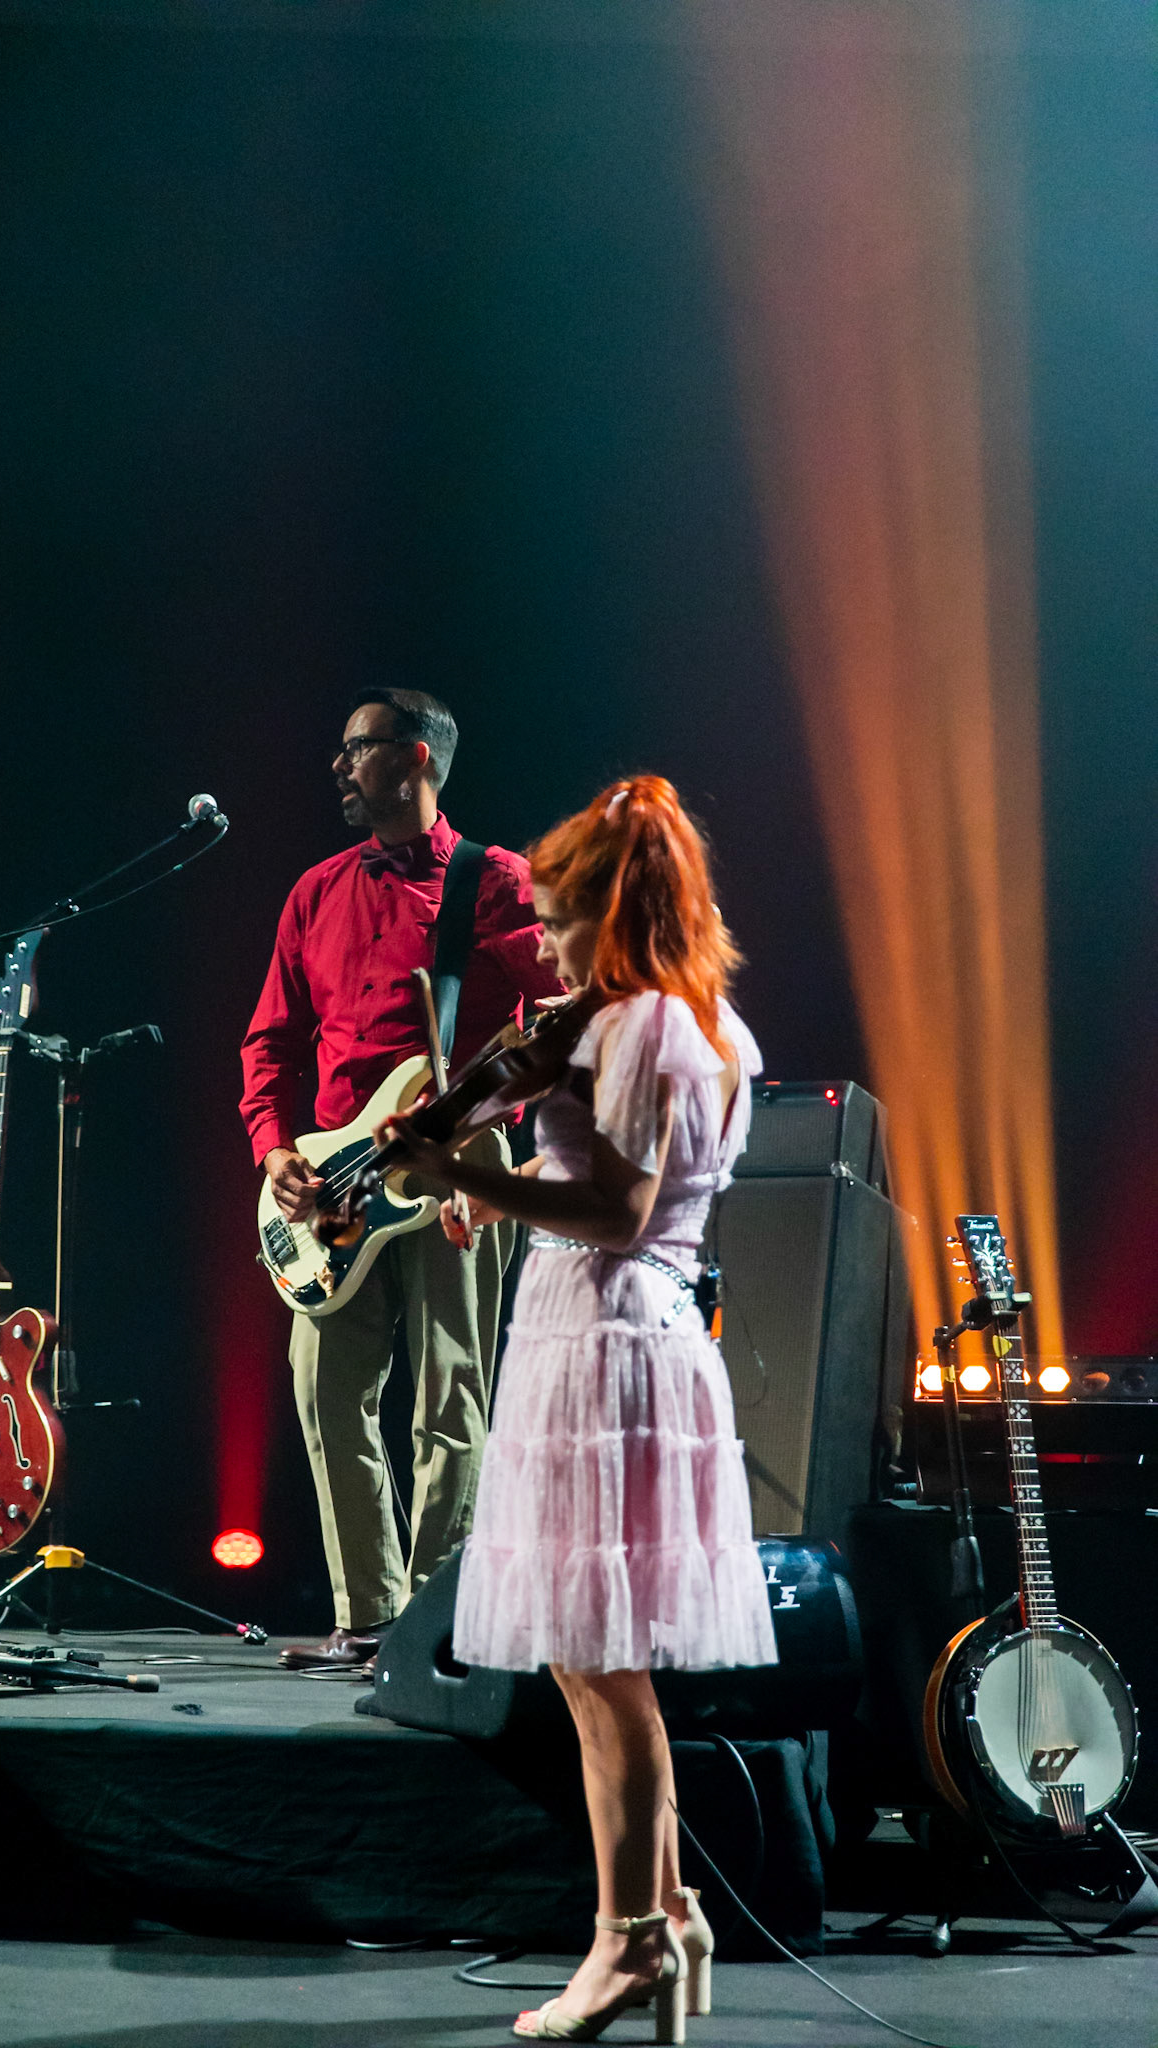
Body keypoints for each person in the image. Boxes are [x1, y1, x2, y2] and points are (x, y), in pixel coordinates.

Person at [379, 774, 778, 2043]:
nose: (542, 947)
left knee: (604, 1668)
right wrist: (483, 1186)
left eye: (557, 922)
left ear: (614, 913)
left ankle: (631, 1943)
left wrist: (454, 1162)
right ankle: (673, 1912)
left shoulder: (647, 1026)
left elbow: (616, 1212)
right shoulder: (680, 1023)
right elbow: (598, 1178)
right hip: (603, 1325)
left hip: (610, 1336)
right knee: (590, 1654)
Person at [240, 687, 561, 1671]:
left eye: (358, 748)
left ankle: (437, 1620)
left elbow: (553, 1033)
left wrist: (496, 1139)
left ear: (414, 756)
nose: (338, 765)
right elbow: (269, 1040)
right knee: (324, 1386)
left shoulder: (498, 882)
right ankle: (370, 1614)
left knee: (449, 1389)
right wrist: (276, 1151)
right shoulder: (316, 889)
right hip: (336, 1171)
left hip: (459, 1155)